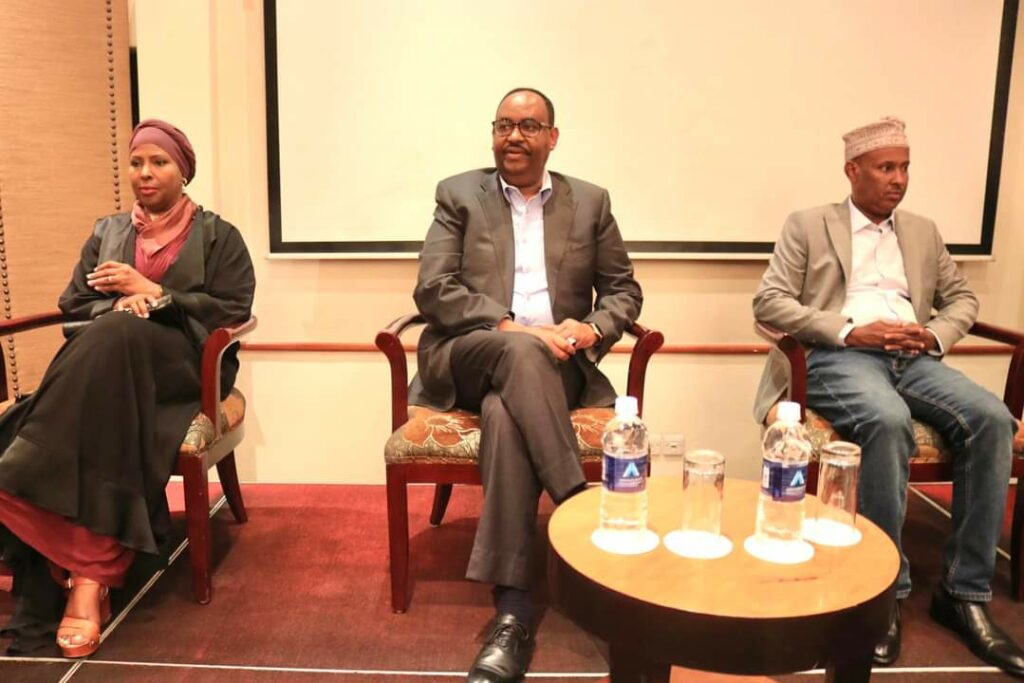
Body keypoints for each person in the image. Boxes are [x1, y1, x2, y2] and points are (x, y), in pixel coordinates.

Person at [752, 117, 1024, 675]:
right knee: (886, 419)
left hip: (914, 358)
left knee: (992, 419)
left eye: (904, 168)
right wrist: (852, 331)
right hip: (839, 357)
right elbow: (771, 302)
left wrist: (933, 335)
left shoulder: (922, 231)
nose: (898, 179)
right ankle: (884, 592)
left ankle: (964, 594)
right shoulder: (808, 224)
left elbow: (961, 298)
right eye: (885, 168)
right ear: (853, 171)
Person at [410, 88, 642, 682]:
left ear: (552, 138)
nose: (514, 136)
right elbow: (434, 288)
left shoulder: (590, 202)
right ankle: (577, 502)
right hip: (471, 352)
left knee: (505, 414)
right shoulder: (459, 194)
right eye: (504, 125)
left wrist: (591, 329)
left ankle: (512, 614)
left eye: (529, 126)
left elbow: (623, 291)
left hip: (555, 366)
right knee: (518, 351)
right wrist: (513, 328)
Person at [0, 119, 255, 657]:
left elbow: (233, 310)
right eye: (137, 162)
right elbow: (74, 306)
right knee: (113, 336)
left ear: (182, 172)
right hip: (110, 374)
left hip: (182, 366)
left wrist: (156, 294)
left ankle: (29, 478)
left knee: (118, 335)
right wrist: (117, 303)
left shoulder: (219, 235)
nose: (145, 173)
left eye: (159, 162)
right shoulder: (107, 232)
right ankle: (88, 574)